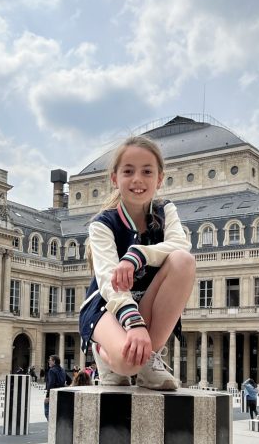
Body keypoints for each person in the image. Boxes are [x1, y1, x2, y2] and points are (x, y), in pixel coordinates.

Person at [79, 135, 194, 390]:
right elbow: (109, 282)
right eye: (128, 171)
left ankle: (150, 359)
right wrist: (134, 323)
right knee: (128, 364)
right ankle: (103, 350)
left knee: (183, 261)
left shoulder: (166, 211)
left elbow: (181, 245)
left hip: (148, 301)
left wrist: (136, 256)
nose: (138, 179)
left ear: (159, 179)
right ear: (114, 178)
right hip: (107, 306)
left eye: (147, 171)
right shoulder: (103, 224)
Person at [44, 355, 66, 421]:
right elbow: (70, 380)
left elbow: (51, 384)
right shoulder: (62, 370)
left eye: (50, 360)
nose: (48, 362)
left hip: (53, 395)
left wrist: (47, 396)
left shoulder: (52, 370)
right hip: (61, 394)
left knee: (48, 413)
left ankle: (51, 425)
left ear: (54, 361)